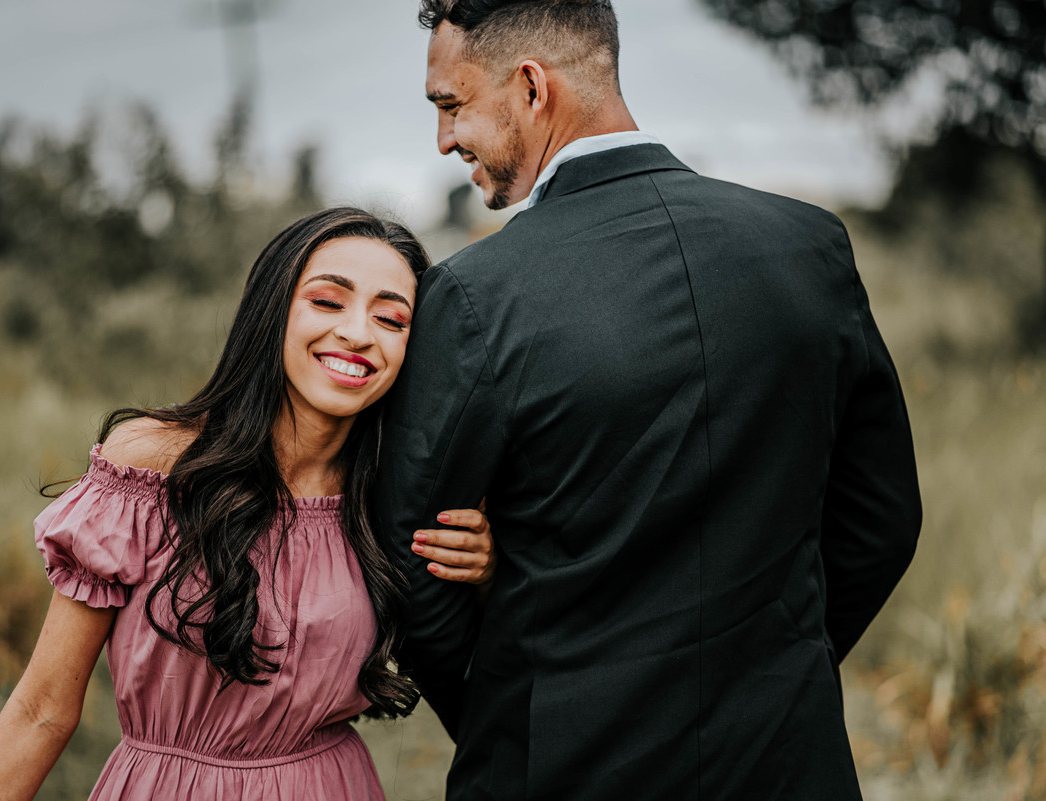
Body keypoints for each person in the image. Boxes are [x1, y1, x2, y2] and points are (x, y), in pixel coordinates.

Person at [374, 2, 923, 800]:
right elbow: (882, 519)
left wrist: (509, 711)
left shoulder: (475, 296)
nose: (443, 138)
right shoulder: (811, 246)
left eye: (451, 104)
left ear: (532, 88)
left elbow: (410, 558)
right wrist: (777, 672)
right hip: (786, 762)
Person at [0, 207, 497, 801]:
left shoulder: (395, 496)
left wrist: (485, 577)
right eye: (328, 302)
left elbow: (490, 675)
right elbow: (42, 708)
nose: (357, 333)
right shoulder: (152, 467)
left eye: (391, 318)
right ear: (273, 311)